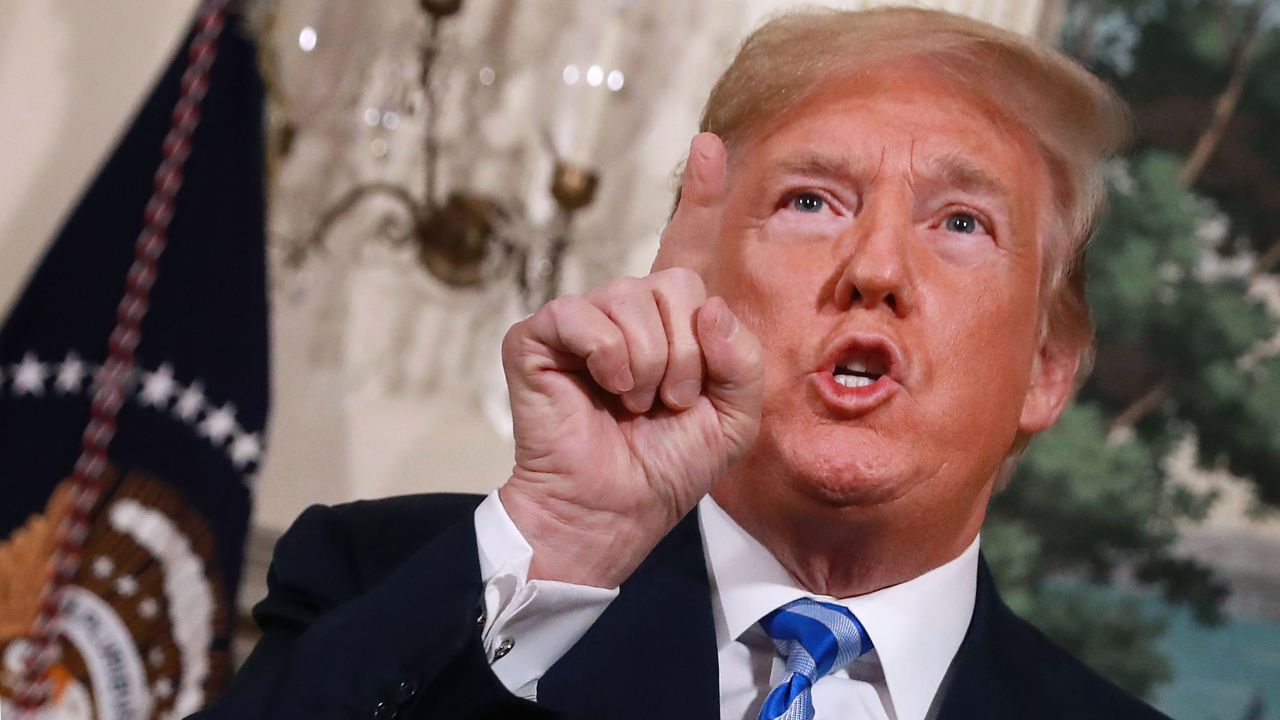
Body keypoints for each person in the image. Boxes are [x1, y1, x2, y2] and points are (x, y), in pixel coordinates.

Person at [194, 6, 1170, 720]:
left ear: (1045, 368)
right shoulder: (382, 582)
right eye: (810, 202)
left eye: (959, 222)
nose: (873, 269)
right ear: (697, 277)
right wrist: (564, 538)